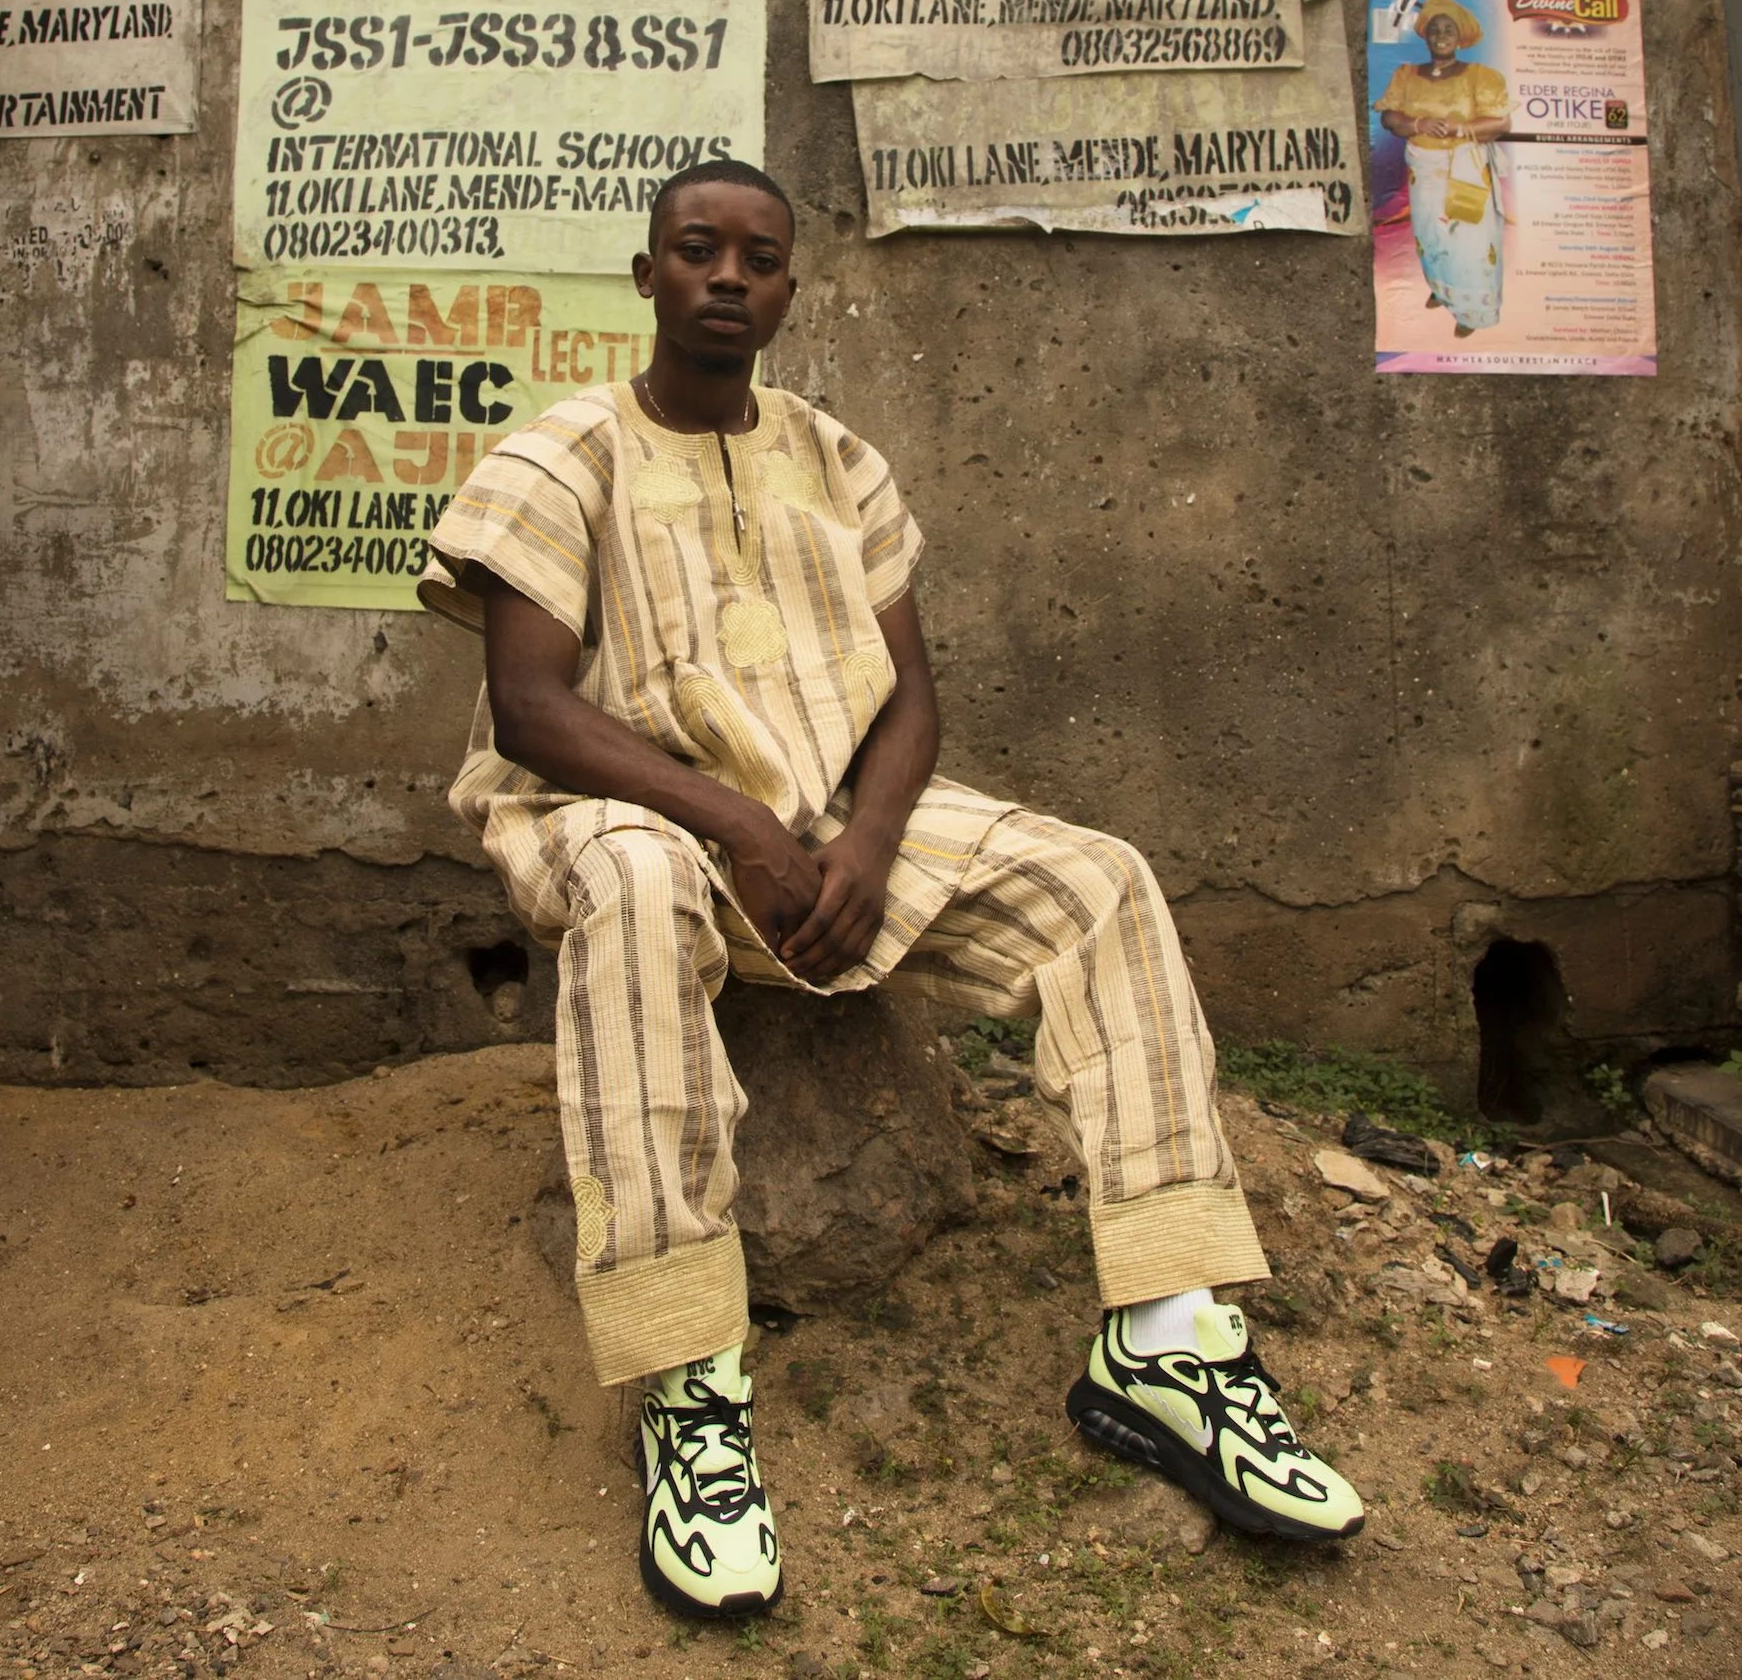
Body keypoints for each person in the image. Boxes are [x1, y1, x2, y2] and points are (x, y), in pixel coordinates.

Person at [419, 157, 1364, 1620]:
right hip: (622, 809)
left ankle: (1167, 1339)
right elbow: (533, 709)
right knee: (637, 893)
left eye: (761, 257)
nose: (729, 276)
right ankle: (688, 1384)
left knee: (1098, 882)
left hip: (814, 816)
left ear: (791, 286)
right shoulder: (565, 455)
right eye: (696, 250)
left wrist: (860, 847)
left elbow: (911, 702)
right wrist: (734, 821)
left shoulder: (836, 460)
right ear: (648, 275)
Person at [1375, 0, 1510, 338]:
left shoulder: (1480, 77)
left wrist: (1456, 129)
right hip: (1424, 172)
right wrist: (1418, 124)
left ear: (1461, 36)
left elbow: (1500, 123)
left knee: (1471, 243)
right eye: (1435, 30)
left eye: (1449, 29)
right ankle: (1444, 289)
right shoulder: (1406, 75)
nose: (1441, 35)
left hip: (1465, 172)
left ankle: (1472, 312)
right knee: (1431, 235)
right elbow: (1390, 117)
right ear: (1426, 37)